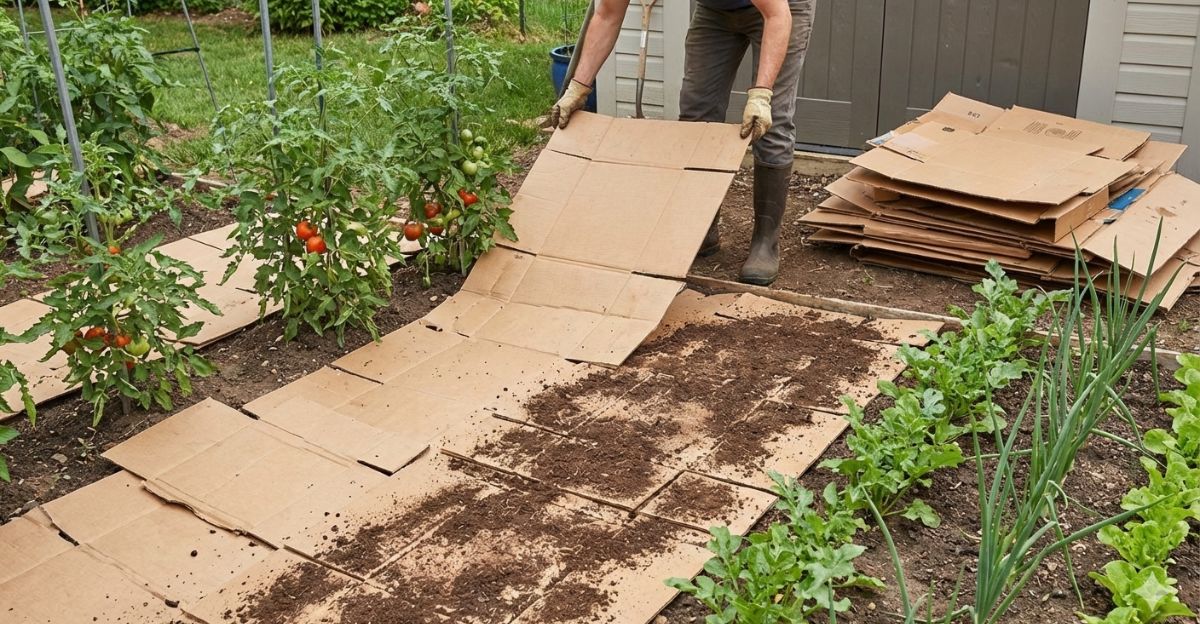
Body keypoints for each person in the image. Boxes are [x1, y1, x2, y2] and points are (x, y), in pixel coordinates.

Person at [551, 0, 814, 285]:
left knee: (771, 123)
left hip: (782, 9)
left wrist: (761, 95)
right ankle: (701, 229)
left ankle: (765, 242)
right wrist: (579, 87)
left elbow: (777, 15)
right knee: (696, 117)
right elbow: (606, 15)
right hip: (716, 11)